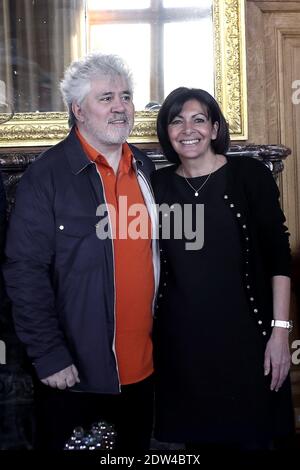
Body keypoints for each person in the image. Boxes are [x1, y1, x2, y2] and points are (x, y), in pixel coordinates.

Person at [3, 52, 159, 452]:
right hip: (75, 373)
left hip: (144, 369)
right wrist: (49, 355)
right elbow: (25, 271)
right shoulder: (47, 175)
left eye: (125, 96)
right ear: (78, 109)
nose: (121, 106)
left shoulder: (143, 167)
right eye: (106, 97)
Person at [151, 87, 295, 450]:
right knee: (197, 445)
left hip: (248, 340)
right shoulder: (157, 185)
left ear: (215, 129)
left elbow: (278, 255)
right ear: (167, 132)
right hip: (182, 346)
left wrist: (280, 333)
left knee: (253, 440)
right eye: (177, 121)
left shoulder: (248, 175)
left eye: (199, 119)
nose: (188, 128)